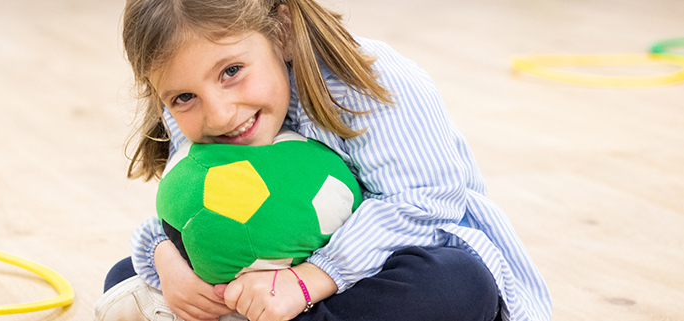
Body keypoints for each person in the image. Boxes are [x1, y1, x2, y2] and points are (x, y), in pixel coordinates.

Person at [94, 0, 552, 320]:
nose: (219, 114)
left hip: (380, 267)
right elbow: (187, 210)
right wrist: (167, 263)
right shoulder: (193, 115)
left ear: (282, 30)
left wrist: (310, 281)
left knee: (459, 284)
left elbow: (426, 203)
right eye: (183, 97)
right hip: (262, 278)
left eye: (232, 71)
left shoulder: (370, 79)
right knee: (125, 275)